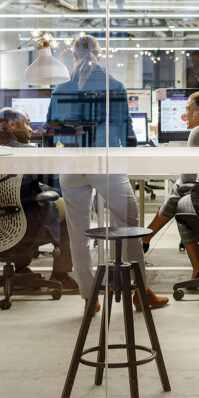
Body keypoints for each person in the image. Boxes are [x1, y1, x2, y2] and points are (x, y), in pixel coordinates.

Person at [47, 35, 168, 311]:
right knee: (129, 223)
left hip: (72, 167)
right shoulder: (114, 85)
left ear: (74, 57)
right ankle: (139, 291)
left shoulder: (61, 88)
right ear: (99, 56)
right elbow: (127, 131)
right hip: (106, 166)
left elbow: (51, 131)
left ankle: (90, 298)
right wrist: (132, 158)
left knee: (78, 233)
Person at [141, 89, 199, 279]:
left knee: (181, 198)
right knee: (182, 191)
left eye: (187, 109)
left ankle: (195, 268)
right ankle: (148, 235)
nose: (184, 114)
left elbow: (187, 179)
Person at [0, 107, 77, 291]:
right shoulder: (27, 153)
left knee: (18, 205)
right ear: (12, 125)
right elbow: (57, 185)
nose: (31, 130)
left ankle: (21, 270)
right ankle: (60, 275)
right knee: (70, 209)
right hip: (24, 228)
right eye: (28, 124)